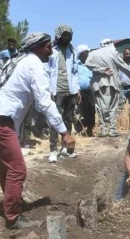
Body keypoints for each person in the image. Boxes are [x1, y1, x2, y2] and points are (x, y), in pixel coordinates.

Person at [0, 32, 76, 229]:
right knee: (17, 168)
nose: (51, 50)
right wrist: (64, 132)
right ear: (37, 48)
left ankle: (11, 204)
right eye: (48, 46)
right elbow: (44, 103)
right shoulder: (34, 65)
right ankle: (13, 217)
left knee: (8, 166)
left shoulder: (18, 60)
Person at [46, 24, 79, 163]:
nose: (67, 38)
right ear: (58, 36)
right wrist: (48, 90)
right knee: (55, 120)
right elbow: (47, 71)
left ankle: (65, 148)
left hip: (70, 91)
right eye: (64, 36)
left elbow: (75, 72)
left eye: (69, 36)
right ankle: (53, 150)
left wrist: (77, 90)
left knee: (68, 119)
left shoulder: (73, 51)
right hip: (56, 91)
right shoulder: (51, 51)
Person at [86, 42, 130, 137]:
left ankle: (103, 130)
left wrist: (100, 70)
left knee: (99, 107)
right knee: (113, 107)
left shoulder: (93, 53)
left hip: (98, 85)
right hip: (112, 83)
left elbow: (87, 63)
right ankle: (112, 130)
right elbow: (123, 66)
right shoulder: (112, 52)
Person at [75, 44, 95, 137]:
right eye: (85, 52)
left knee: (91, 110)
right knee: (79, 111)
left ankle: (90, 129)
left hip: (90, 91)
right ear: (81, 54)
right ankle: (79, 130)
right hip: (79, 91)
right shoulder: (75, 64)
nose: (87, 54)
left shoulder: (91, 64)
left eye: (88, 52)